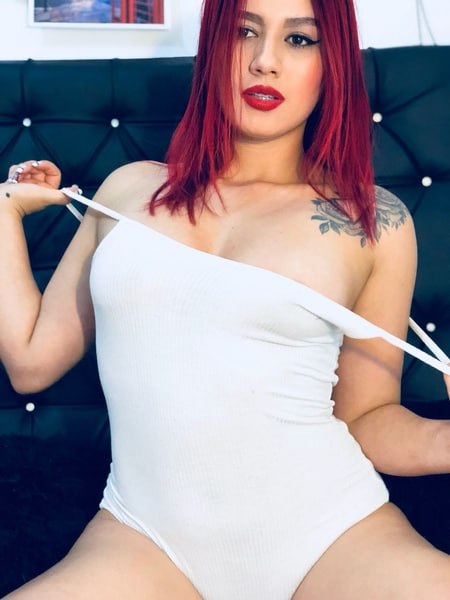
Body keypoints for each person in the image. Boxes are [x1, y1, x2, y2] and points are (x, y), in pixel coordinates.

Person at [1, 0, 450, 598]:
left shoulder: (373, 220)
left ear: (333, 63)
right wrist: (5, 214)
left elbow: (367, 418)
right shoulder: (128, 190)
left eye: (300, 40)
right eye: (244, 32)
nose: (265, 61)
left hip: (332, 536)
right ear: (213, 46)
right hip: (145, 540)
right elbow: (30, 362)